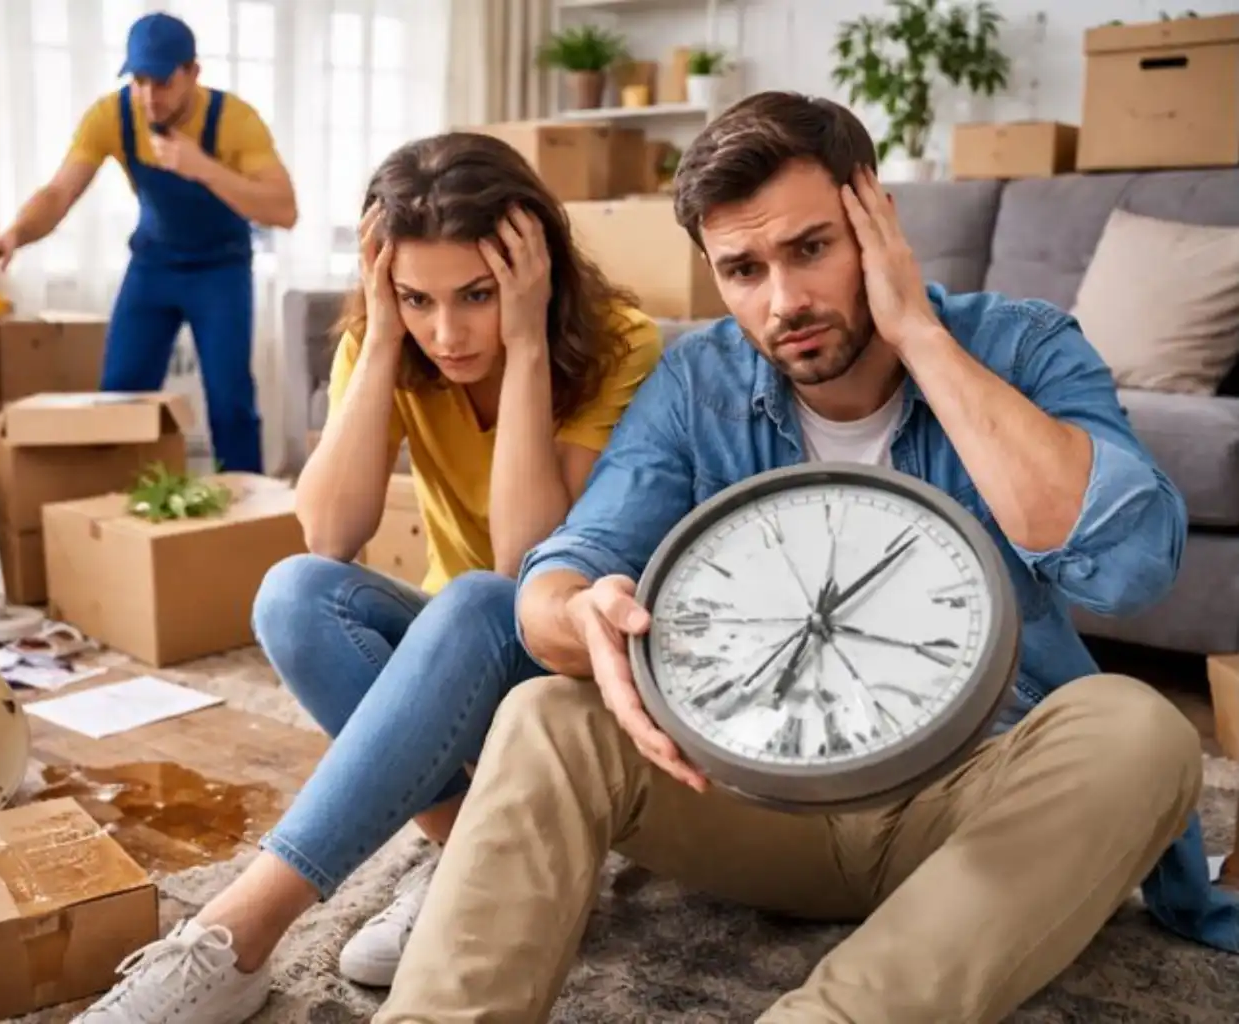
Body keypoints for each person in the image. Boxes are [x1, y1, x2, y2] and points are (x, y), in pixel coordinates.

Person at [375, 91, 1239, 1023]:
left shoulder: (1021, 344)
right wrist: (574, 612)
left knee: (1138, 728)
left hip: (969, 800)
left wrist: (920, 336)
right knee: (547, 712)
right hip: (763, 793)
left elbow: (1133, 564)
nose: (783, 301)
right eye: (743, 269)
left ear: (879, 222)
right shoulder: (699, 380)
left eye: (812, 249)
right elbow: (562, 568)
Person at [71, 130, 664, 1024]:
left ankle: (237, 936)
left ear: (531, 269)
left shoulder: (622, 344)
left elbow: (527, 566)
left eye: (476, 295)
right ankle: (470, 856)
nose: (448, 332)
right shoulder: (397, 342)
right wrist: (383, 338)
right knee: (291, 594)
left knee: (477, 597)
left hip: (575, 645)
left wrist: (528, 343)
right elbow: (328, 534)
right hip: (454, 641)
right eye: (418, 297)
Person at [0, 11, 296, 474]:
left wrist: (201, 166)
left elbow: (284, 210)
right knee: (118, 396)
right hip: (154, 268)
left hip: (220, 271)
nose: (148, 96)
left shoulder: (233, 121)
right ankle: (115, 516)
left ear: (192, 73)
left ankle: (244, 519)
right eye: (140, 79)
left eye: (162, 81)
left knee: (231, 403)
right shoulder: (113, 116)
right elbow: (60, 192)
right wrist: (13, 235)